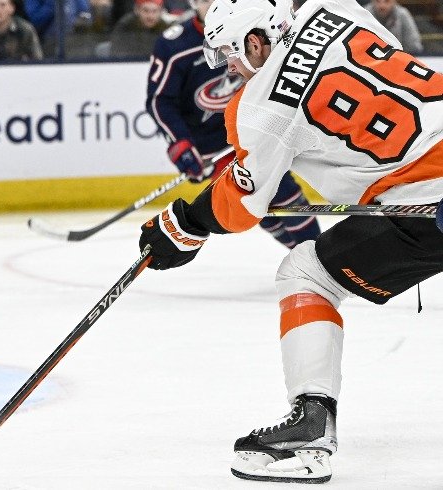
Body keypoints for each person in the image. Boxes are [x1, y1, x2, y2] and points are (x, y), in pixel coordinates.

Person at [139, 0, 443, 482]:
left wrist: (185, 223)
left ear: (254, 41)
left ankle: (311, 425)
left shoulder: (260, 107)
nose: (229, 68)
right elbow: (392, 57)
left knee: (306, 274)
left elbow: (241, 206)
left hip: (422, 201)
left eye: (229, 53)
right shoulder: (333, 8)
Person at [145, 0, 320, 250]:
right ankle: (307, 254)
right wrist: (181, 143)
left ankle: (316, 256)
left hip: (252, 129)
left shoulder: (249, 27)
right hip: (209, 146)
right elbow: (160, 102)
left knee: (282, 191)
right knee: (258, 205)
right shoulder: (174, 44)